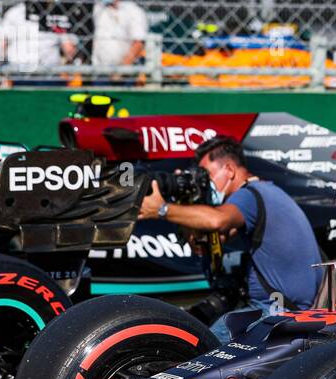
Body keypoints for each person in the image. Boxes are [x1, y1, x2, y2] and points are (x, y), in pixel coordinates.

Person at [137, 135, 323, 343]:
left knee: (196, 345)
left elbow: (217, 221)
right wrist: (185, 201)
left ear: (229, 170)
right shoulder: (268, 191)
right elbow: (203, 245)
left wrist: (162, 209)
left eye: (206, 175)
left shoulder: (249, 195)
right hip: (285, 308)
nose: (203, 182)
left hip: (274, 312)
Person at [92, 0, 148, 71]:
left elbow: (138, 43)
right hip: (98, 70)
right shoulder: (97, 9)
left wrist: (122, 69)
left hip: (124, 72)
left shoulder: (133, 11)